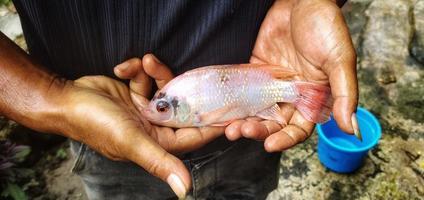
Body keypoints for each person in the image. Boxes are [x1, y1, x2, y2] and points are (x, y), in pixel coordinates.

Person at [0, 0, 357, 199]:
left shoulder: (183, 101)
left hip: (252, 137)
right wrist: (51, 96)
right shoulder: (176, 102)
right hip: (98, 126)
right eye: (161, 107)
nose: (159, 111)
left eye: (162, 107)